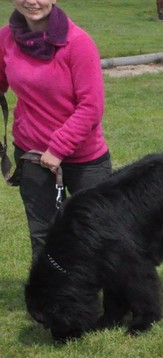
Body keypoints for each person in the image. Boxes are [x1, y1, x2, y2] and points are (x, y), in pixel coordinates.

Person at [0, 0, 111, 262]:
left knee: (98, 232)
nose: (31, 1)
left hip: (84, 158)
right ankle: (48, 287)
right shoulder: (5, 37)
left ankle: (104, 286)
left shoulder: (78, 42)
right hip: (31, 152)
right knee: (43, 234)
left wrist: (58, 148)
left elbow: (91, 107)